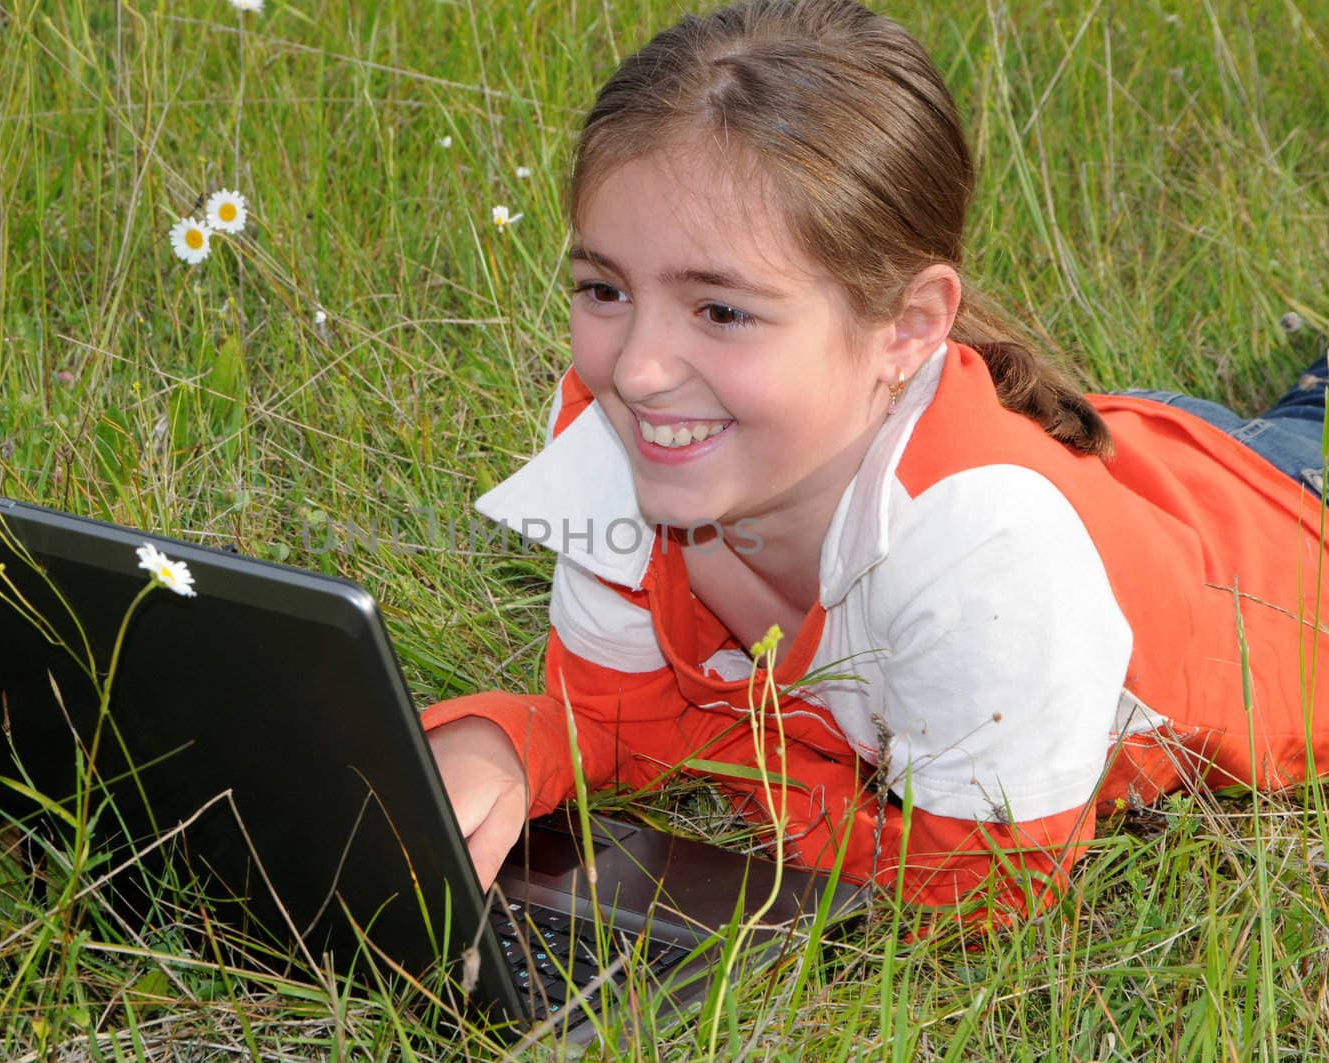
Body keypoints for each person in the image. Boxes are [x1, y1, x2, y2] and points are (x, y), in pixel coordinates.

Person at [422, 0, 1329, 924]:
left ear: (908, 327)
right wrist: (506, 743)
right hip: (1133, 454)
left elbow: (978, 888)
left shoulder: (984, 553)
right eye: (604, 288)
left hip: (1282, 526)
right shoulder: (613, 433)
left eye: (721, 311)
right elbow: (616, 718)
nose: (639, 369)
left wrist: (734, 753)